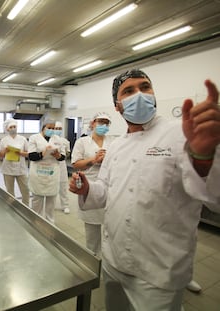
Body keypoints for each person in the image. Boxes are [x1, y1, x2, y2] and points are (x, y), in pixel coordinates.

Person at [69, 69, 220, 311]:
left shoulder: (181, 134)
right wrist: (87, 188)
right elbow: (106, 191)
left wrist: (203, 158)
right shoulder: (117, 146)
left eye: (145, 87)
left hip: (159, 268)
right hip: (114, 259)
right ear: (118, 106)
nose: (139, 94)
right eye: (128, 91)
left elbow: (215, 199)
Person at [71, 112, 114, 255]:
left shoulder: (113, 142)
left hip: (110, 187)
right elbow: (76, 164)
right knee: (92, 231)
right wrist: (94, 160)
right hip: (88, 187)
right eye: (100, 122)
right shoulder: (82, 142)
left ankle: (109, 260)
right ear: (92, 123)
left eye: (106, 123)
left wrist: (108, 160)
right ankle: (93, 259)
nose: (103, 126)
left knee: (112, 227)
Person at [28, 118, 66, 223]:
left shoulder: (57, 139)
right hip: (38, 173)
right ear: (43, 127)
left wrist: (58, 155)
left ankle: (50, 222)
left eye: (53, 128)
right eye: (49, 128)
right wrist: (43, 153)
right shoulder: (34, 138)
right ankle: (35, 221)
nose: (52, 130)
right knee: (37, 201)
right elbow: (31, 156)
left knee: (51, 201)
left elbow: (63, 157)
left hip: (52, 173)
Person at [0, 119, 30, 206]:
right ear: (7, 129)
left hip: (21, 168)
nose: (13, 129)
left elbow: (29, 154)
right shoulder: (4, 140)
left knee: (25, 190)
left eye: (14, 127)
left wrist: (21, 153)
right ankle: (12, 207)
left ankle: (26, 207)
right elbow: (0, 155)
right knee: (10, 191)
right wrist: (5, 150)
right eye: (11, 127)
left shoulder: (23, 139)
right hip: (8, 169)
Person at [54, 121, 71, 214]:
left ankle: (65, 205)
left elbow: (67, 153)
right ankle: (51, 204)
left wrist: (61, 154)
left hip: (61, 165)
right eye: (56, 129)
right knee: (51, 186)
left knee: (63, 186)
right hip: (51, 165)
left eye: (59, 129)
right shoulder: (50, 140)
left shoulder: (65, 141)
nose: (58, 130)